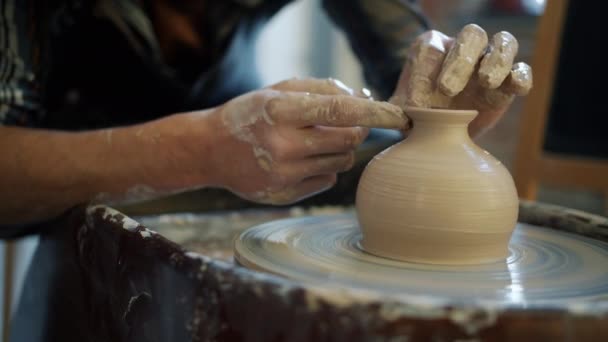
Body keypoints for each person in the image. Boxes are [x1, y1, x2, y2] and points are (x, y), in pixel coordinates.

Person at [0, 0, 531, 232]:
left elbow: (414, 69)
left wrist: (445, 102)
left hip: (233, 204)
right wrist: (203, 146)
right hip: (64, 209)